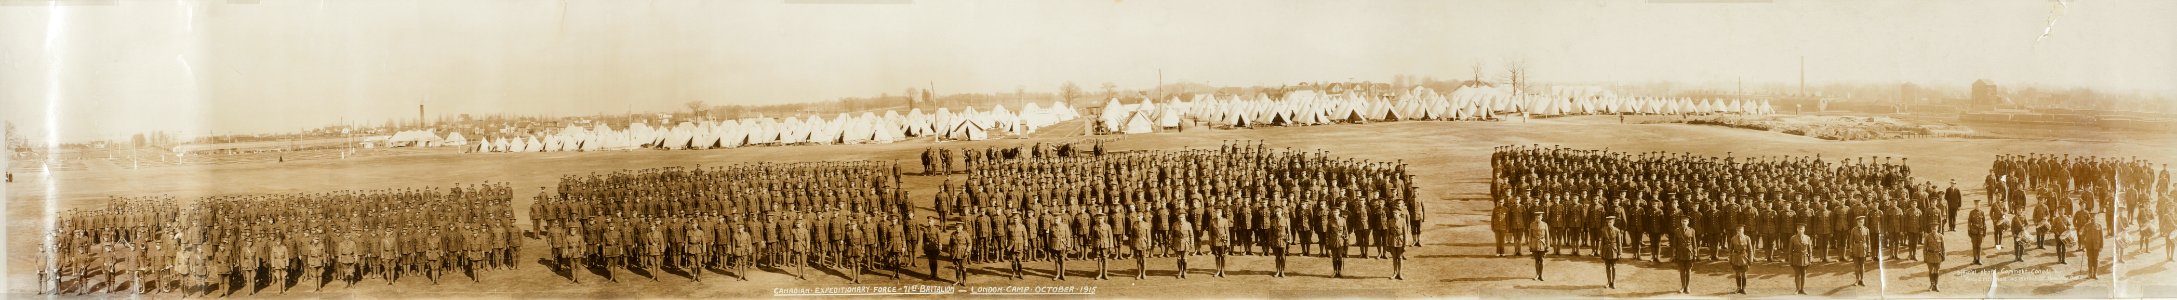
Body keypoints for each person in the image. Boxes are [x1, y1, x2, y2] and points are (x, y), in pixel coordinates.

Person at [1598, 216, 1627, 289]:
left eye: (1611, 222)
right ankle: (1608, 281)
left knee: (1614, 267)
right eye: (1608, 222)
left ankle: (1613, 282)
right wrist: (1601, 251)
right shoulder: (1604, 230)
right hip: (1606, 250)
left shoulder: (1617, 231)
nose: (1609, 224)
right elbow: (1602, 242)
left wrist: (1620, 253)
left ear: (1613, 222)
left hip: (1614, 250)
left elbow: (1619, 243)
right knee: (1607, 267)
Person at [1788, 223, 1814, 295]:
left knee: (1804, 274)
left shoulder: (1808, 238)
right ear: (1797, 229)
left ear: (1804, 230)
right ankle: (1797, 289)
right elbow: (1790, 250)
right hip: (1796, 259)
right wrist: (1790, 260)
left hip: (1805, 258)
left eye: (1802, 229)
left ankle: (1802, 289)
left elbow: (1810, 250)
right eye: (1799, 229)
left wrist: (1810, 259)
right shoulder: (1793, 238)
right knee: (1797, 274)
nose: (1800, 231)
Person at [1386, 206, 1409, 280]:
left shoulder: (1403, 221)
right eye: (1393, 213)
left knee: (1400, 257)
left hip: (1400, 241)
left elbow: (1405, 234)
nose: (1394, 214)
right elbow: (1388, 233)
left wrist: (1405, 245)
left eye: (1396, 213)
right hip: (1392, 241)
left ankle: (1400, 273)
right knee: (1394, 258)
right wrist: (1387, 244)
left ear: (1399, 214)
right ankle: (1395, 272)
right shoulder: (1390, 221)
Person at [1727, 225, 1752, 294]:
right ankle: (1738, 288)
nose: (1739, 232)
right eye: (1738, 231)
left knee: (1744, 273)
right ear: (1736, 231)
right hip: (1736, 258)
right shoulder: (1733, 238)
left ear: (1743, 230)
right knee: (1737, 273)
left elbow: (1750, 250)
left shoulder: (1747, 238)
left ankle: (1744, 288)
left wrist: (1750, 260)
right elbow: (1730, 250)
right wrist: (1730, 259)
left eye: (1740, 230)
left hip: (1744, 258)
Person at [1674, 217, 1697, 294]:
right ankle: (1682, 286)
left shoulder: (1692, 230)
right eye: (1682, 221)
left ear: (1688, 222)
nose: (1684, 223)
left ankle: (1687, 286)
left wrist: (1695, 254)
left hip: (1688, 252)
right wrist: (1674, 254)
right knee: (1681, 270)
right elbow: (1675, 244)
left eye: (1685, 221)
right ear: (1681, 222)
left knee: (1688, 270)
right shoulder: (1677, 231)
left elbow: (1694, 243)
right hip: (1680, 253)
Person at [1849, 216, 1872, 286]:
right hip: (1855, 249)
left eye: (1862, 222)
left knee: (1862, 265)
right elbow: (1851, 241)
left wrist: (1869, 250)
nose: (1860, 223)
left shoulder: (1866, 230)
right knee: (1856, 266)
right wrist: (1851, 250)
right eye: (1859, 222)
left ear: (1863, 222)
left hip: (1863, 249)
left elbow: (1868, 241)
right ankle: (1856, 280)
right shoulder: (1853, 230)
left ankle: (1862, 279)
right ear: (1857, 222)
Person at [1925, 219, 1947, 292]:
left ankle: (1936, 284)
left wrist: (1944, 256)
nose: (1934, 230)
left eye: (1935, 228)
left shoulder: (1941, 236)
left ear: (1937, 228)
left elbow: (1943, 247)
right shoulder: (1927, 237)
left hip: (1938, 256)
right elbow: (1925, 248)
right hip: (1930, 256)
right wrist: (1925, 258)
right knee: (1931, 271)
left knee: (1937, 271)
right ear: (1931, 229)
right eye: (1932, 229)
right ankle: (1931, 284)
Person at [1528, 211, 1550, 281]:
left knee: (1542, 260)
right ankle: (1537, 274)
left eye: (1539, 217)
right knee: (1536, 260)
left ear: (1542, 217)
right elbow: (1530, 236)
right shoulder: (1532, 224)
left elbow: (1547, 236)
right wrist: (1530, 245)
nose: (1538, 219)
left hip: (1542, 244)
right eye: (1537, 218)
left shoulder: (1545, 224)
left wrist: (1548, 246)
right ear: (1535, 218)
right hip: (1534, 244)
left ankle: (1541, 275)